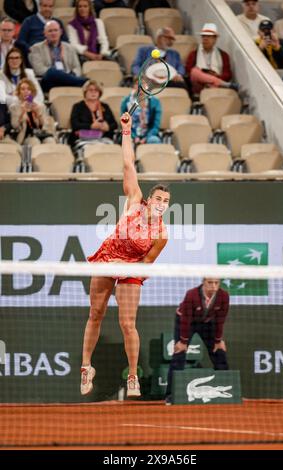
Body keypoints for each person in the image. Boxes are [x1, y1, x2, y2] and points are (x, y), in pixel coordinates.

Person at [81, 112, 170, 398]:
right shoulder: (134, 200)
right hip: (108, 258)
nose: (162, 204)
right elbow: (128, 163)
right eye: (159, 198)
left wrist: (129, 279)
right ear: (149, 199)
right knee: (96, 313)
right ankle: (86, 367)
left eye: (166, 202)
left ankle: (133, 376)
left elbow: (146, 264)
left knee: (127, 323)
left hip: (131, 267)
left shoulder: (161, 234)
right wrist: (127, 131)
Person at [165, 278, 229, 404]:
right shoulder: (192, 295)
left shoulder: (223, 296)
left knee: (219, 352)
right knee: (179, 355)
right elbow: (186, 319)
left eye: (216, 283)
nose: (213, 286)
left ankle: (228, 390)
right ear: (203, 282)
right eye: (210, 283)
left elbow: (220, 320)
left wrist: (218, 340)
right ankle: (171, 395)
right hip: (186, 322)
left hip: (207, 323)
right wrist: (183, 341)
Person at [29, 20, 87, 92]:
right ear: (44, 33)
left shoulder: (69, 47)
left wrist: (69, 75)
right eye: (50, 31)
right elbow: (39, 70)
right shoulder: (36, 48)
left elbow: (77, 67)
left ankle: (73, 80)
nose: (53, 33)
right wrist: (59, 74)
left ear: (61, 32)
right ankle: (84, 82)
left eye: (56, 30)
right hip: (49, 81)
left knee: (63, 75)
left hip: (68, 78)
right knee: (52, 72)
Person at [185, 23, 237, 95]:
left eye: (209, 36)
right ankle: (224, 84)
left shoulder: (223, 55)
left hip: (215, 85)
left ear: (215, 39)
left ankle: (214, 84)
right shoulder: (193, 54)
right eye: (203, 36)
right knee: (194, 71)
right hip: (199, 85)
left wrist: (216, 76)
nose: (205, 39)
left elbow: (228, 74)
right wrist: (204, 75)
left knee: (211, 85)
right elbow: (189, 71)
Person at [70, 79, 117, 147]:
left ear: (99, 93)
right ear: (85, 92)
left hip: (104, 138)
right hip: (83, 139)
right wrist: (91, 126)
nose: (93, 93)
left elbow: (114, 124)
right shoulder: (78, 106)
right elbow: (75, 124)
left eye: (96, 90)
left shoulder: (105, 106)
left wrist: (108, 127)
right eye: (91, 90)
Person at [9, 78, 55, 146]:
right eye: (23, 89)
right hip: (25, 136)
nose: (26, 91)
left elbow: (45, 126)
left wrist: (37, 113)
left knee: (50, 141)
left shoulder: (40, 106)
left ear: (32, 92)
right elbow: (15, 126)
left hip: (41, 134)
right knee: (34, 141)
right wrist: (23, 111)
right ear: (19, 92)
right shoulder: (14, 107)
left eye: (28, 89)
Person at [120, 77, 162, 144]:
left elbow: (155, 125)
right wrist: (134, 137)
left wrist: (146, 138)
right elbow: (123, 123)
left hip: (148, 135)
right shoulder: (126, 101)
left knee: (154, 140)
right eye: (137, 84)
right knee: (128, 141)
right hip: (131, 133)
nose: (140, 86)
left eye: (142, 84)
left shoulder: (155, 102)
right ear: (134, 86)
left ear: (147, 86)